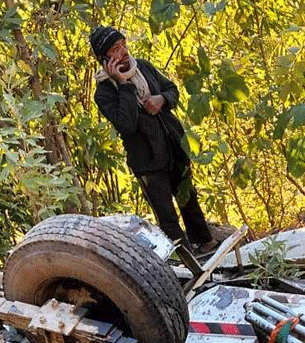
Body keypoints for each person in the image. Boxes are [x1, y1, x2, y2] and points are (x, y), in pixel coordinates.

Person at [89, 26, 219, 253]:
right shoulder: (104, 92)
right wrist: (123, 85)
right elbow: (126, 125)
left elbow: (172, 90)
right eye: (115, 49)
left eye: (123, 45)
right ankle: (186, 260)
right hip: (147, 160)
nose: (123, 52)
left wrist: (162, 99)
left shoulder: (144, 68)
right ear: (104, 58)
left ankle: (207, 244)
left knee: (188, 199)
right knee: (166, 215)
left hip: (173, 146)